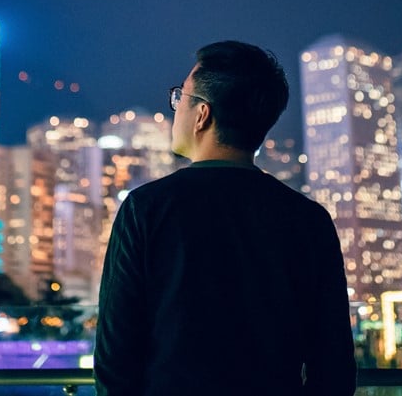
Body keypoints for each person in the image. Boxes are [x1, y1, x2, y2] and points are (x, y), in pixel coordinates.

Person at [95, 40, 356, 395]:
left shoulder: (146, 209)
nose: (175, 110)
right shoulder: (308, 219)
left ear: (202, 114)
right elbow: (334, 366)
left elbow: (115, 358)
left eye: (180, 98)